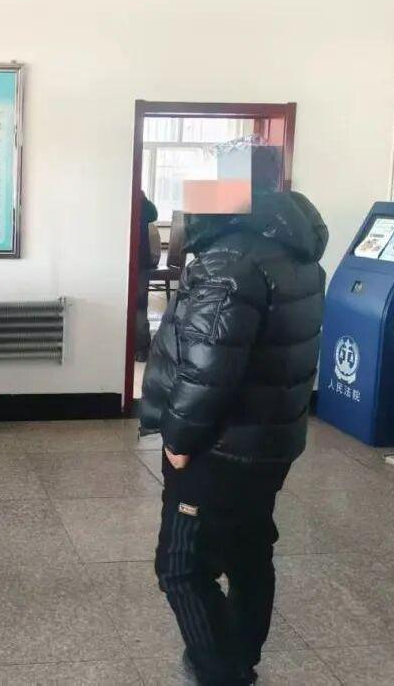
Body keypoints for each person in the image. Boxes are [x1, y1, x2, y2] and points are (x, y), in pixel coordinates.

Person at [140, 186, 327, 685]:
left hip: (220, 447)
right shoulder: (296, 255)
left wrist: (179, 440)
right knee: (248, 553)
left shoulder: (229, 262)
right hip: (271, 439)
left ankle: (222, 673)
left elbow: (209, 367)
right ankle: (240, 661)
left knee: (181, 567)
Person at [135, 189, 161, 361]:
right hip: (138, 262)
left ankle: (141, 347)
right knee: (139, 306)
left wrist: (141, 198)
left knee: (138, 306)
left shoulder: (141, 205)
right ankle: (140, 348)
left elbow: (153, 214)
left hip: (139, 262)